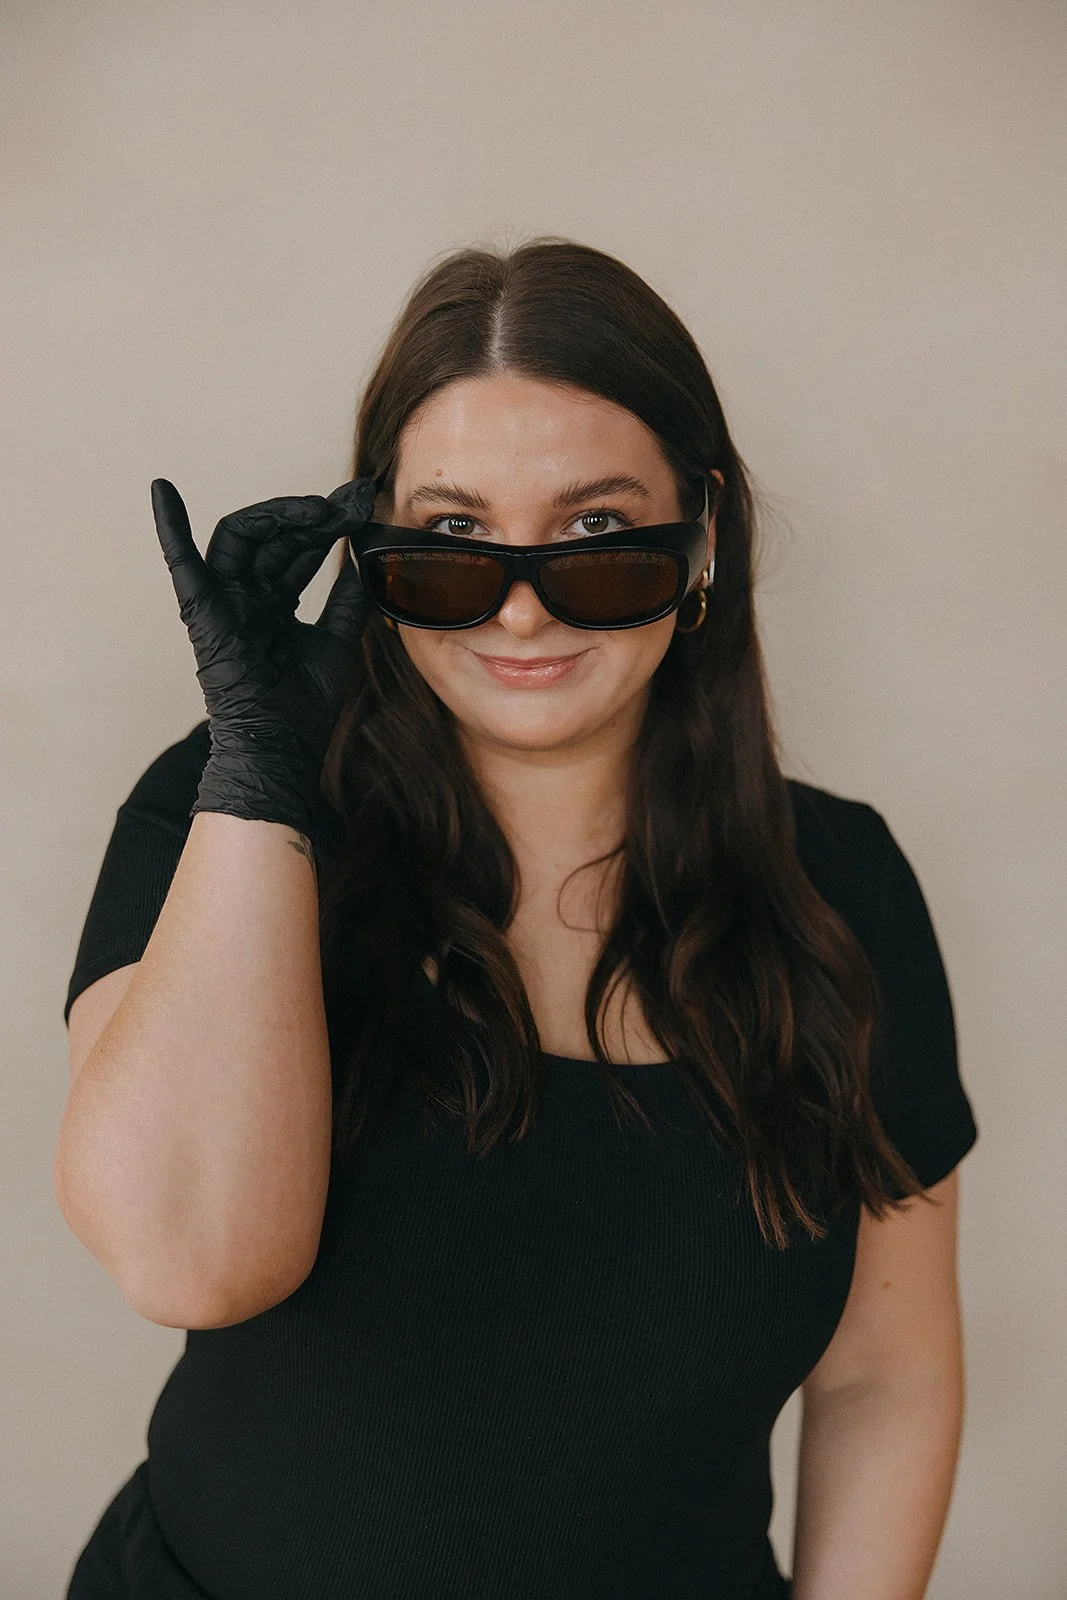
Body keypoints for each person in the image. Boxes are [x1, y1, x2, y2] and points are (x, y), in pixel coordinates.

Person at [57, 238, 979, 1600]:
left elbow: (881, 1383)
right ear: (374, 547)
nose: (524, 609)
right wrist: (259, 775)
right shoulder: (218, 825)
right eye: (453, 540)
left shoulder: (841, 885)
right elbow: (187, 1264)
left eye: (596, 533)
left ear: (703, 533)